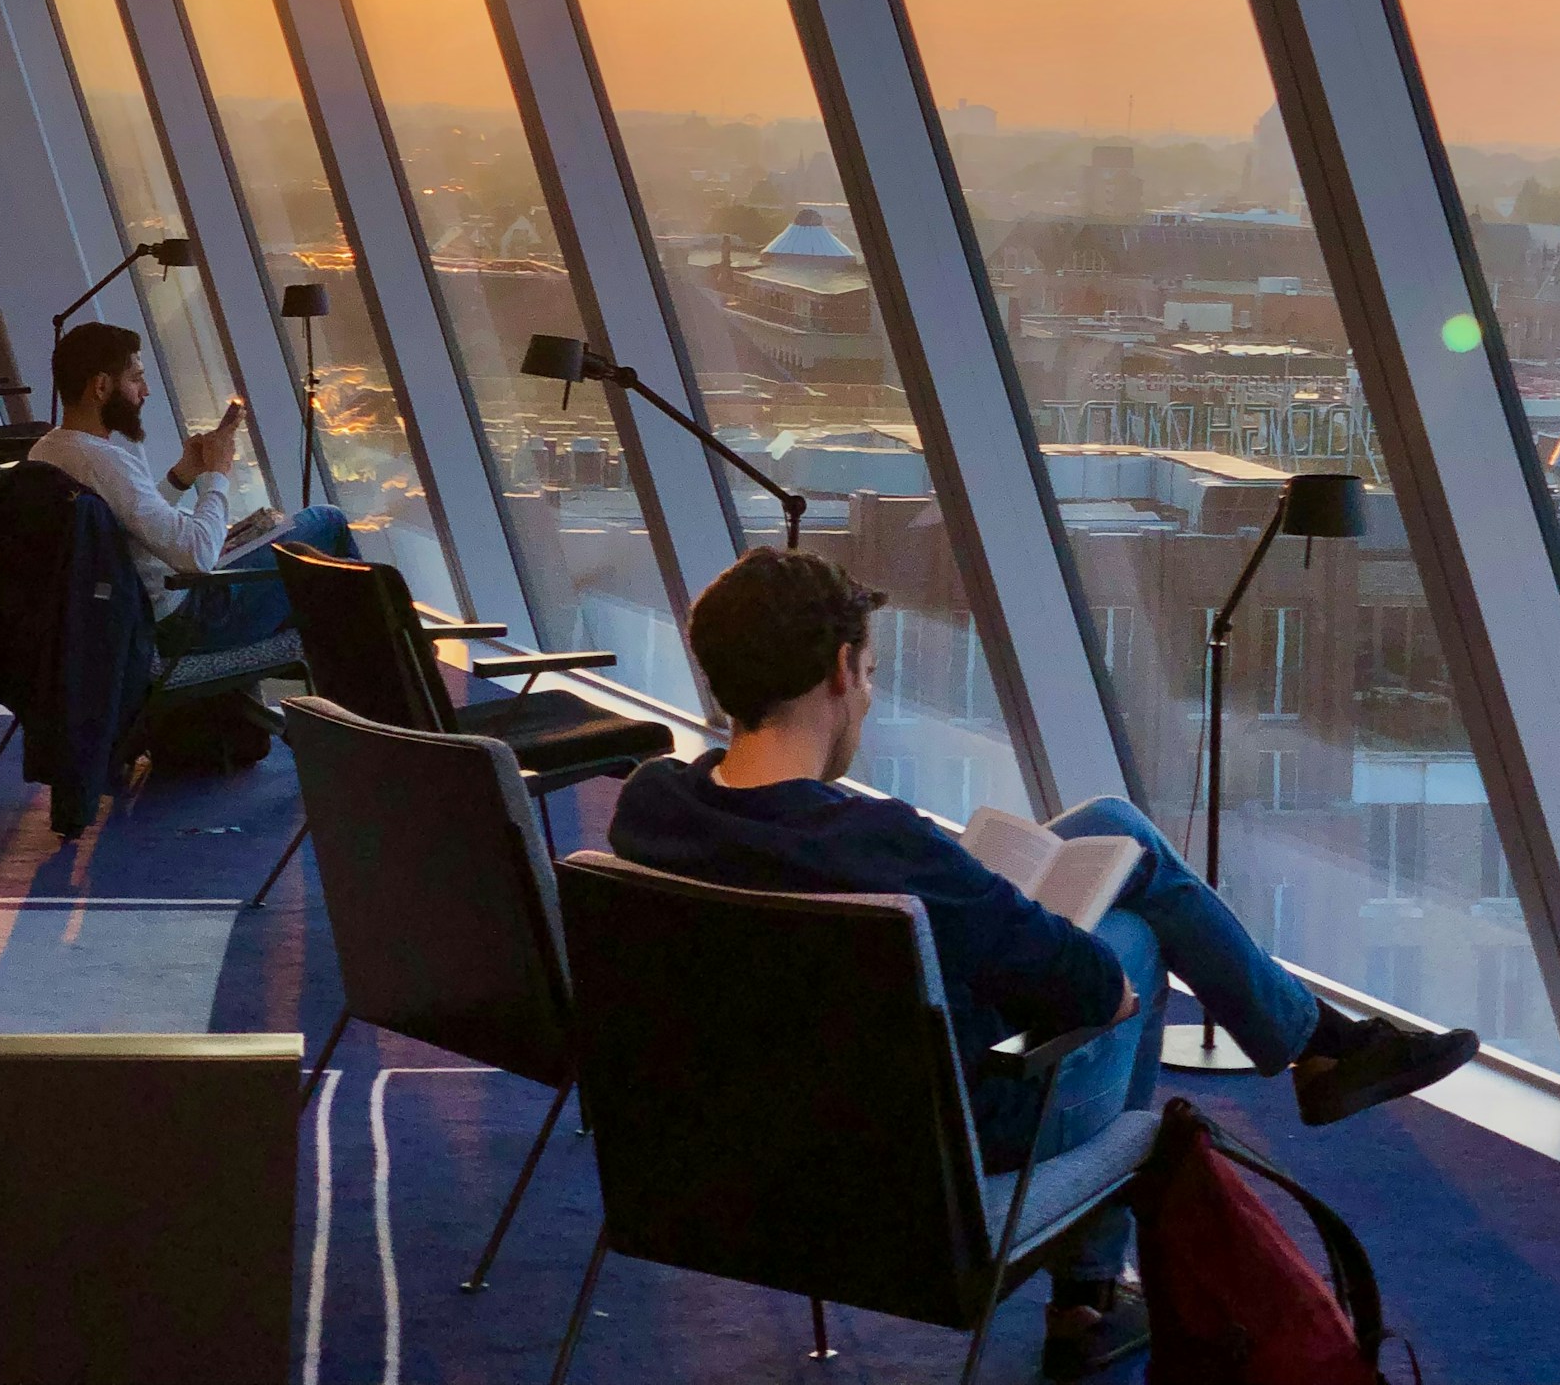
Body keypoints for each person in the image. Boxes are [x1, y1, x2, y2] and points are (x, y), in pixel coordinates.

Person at [610, 549, 1479, 1382]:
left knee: (1113, 826)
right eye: (870, 675)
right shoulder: (888, 848)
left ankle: (1313, 1046)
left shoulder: (652, 807)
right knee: (1135, 930)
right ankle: (1095, 1289)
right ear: (841, 671)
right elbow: (1098, 991)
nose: (868, 697)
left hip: (732, 1138)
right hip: (936, 1146)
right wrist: (1087, 969)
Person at [29, 319, 356, 677]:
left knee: (310, 592)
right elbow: (197, 555)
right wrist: (216, 474)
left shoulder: (47, 451)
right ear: (102, 386)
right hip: (188, 620)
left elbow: (131, 528)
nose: (146, 391)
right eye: (136, 378)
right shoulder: (104, 462)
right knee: (327, 522)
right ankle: (376, 676)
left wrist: (182, 476)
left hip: (128, 614)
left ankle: (329, 683)